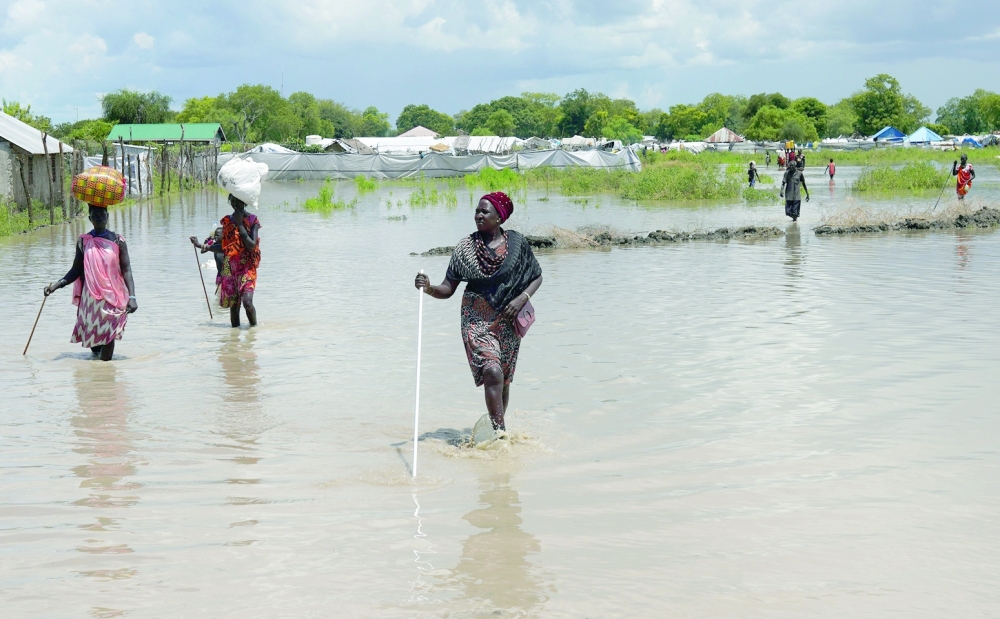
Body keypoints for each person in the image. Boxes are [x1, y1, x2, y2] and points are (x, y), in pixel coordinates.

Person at [414, 192, 543, 435]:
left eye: (485, 212)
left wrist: (521, 299)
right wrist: (429, 288)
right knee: (491, 371)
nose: (479, 215)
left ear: (499, 217)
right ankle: (501, 435)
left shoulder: (517, 245)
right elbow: (448, 288)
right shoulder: (466, 249)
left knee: (503, 380)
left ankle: (496, 431)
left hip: (508, 318)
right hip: (476, 318)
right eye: (477, 211)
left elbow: (537, 276)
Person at [44, 196, 138, 361]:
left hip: (112, 297)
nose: (99, 217)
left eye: (102, 214)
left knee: (109, 334)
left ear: (108, 216)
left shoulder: (118, 240)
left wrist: (132, 297)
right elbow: (75, 270)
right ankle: (96, 375)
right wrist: (56, 286)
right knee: (95, 343)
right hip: (91, 299)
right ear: (90, 218)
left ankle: (106, 372)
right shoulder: (84, 241)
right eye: (95, 215)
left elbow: (127, 270)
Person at [190, 196, 261, 327]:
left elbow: (251, 246)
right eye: (232, 201)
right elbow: (225, 248)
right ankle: (234, 340)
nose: (235, 204)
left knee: (247, 303)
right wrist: (200, 245)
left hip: (247, 267)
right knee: (234, 307)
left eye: (238, 201)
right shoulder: (228, 221)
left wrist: (240, 224)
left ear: (244, 202)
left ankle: (253, 332)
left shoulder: (252, 221)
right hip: (230, 268)